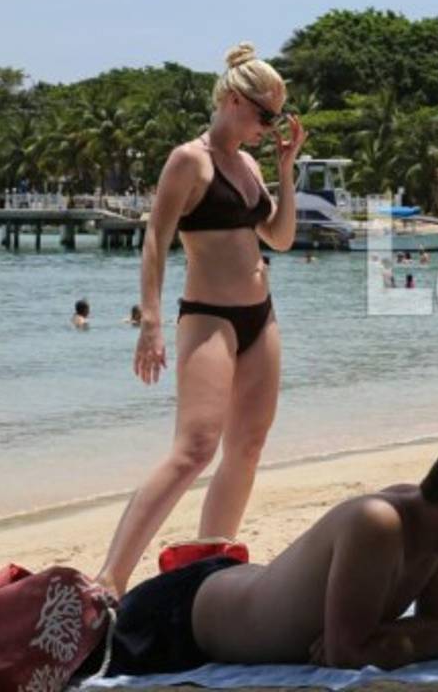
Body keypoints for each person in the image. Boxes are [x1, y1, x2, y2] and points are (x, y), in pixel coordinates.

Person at [94, 42, 306, 598]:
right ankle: (109, 579)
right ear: (234, 100)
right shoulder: (190, 160)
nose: (269, 126)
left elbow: (280, 238)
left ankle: (209, 564)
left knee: (248, 446)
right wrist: (151, 322)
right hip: (208, 316)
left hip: (261, 315)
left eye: (275, 118)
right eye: (265, 116)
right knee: (194, 449)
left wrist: (285, 170)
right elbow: (155, 240)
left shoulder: (251, 164)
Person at [101, 442, 438, 676]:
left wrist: (395, 641)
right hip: (174, 620)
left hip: (228, 593)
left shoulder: (436, 535)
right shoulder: (379, 523)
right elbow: (348, 653)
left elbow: (430, 625)